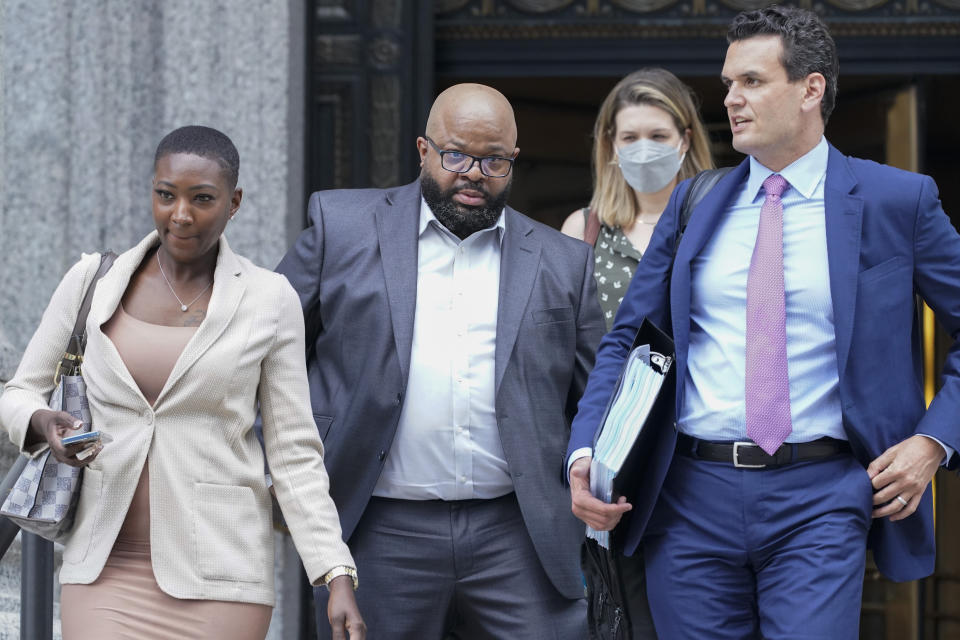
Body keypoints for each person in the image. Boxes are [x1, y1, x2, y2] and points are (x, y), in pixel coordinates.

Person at [567, 5, 960, 639]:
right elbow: (628, 341)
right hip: (687, 498)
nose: (731, 99)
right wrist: (587, 451)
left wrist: (932, 443)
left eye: (751, 81)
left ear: (811, 89)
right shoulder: (696, 202)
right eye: (728, 84)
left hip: (823, 496)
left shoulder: (898, 201)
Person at [0, 126, 365, 640]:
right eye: (166, 195)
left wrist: (335, 572)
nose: (182, 215)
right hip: (104, 568)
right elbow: (18, 392)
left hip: (221, 574)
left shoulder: (270, 299)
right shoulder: (92, 281)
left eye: (203, 199)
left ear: (234, 202)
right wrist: (41, 423)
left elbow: (293, 453)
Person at [275, 83, 606, 639]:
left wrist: (593, 464)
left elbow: (597, 394)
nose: (474, 173)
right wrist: (277, 474)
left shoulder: (563, 261)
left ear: (513, 161)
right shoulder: (343, 228)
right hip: (378, 528)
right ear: (424, 150)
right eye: (456, 155)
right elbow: (265, 354)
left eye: (494, 160)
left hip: (518, 534)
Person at [561, 68, 714, 330]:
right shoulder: (583, 229)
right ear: (613, 145)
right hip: (605, 372)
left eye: (658, 136)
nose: (643, 149)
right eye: (630, 138)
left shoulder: (717, 221)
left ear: (685, 140)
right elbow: (561, 330)